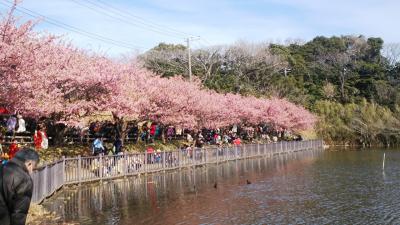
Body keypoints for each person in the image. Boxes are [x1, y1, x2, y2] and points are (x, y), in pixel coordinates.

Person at [0, 148, 40, 225]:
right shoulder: (25, 180)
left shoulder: (1, 167)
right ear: (29, 164)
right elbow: (19, 213)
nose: (32, 172)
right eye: (33, 168)